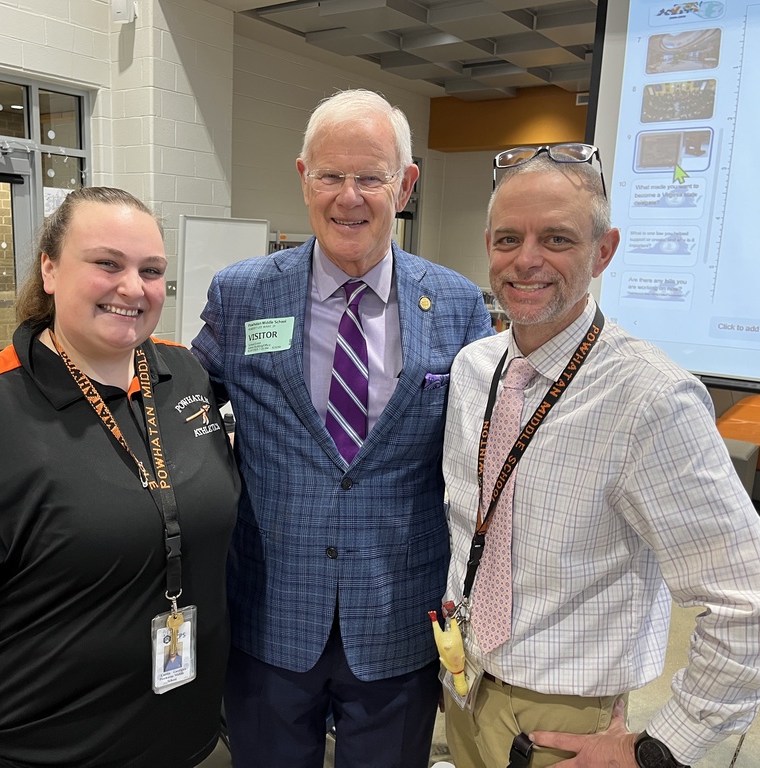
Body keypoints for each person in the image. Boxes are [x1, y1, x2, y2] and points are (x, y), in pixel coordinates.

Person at [440, 144, 760, 768]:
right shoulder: (473, 368)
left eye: (555, 238)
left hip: (566, 718)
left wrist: (659, 749)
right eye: (509, 239)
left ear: (603, 251)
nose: (526, 260)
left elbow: (757, 611)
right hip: (462, 680)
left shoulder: (650, 400)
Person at [191, 89, 493, 768]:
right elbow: (184, 410)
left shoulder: (455, 303)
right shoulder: (242, 295)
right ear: (303, 177)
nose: (347, 197)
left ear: (407, 184)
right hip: (269, 618)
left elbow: (484, 457)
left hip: (399, 621)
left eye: (370, 177)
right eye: (330, 175)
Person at [0, 187, 241, 768]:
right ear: (49, 269)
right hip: (46, 748)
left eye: (151, 270)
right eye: (107, 263)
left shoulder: (186, 374)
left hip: (184, 741)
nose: (133, 287)